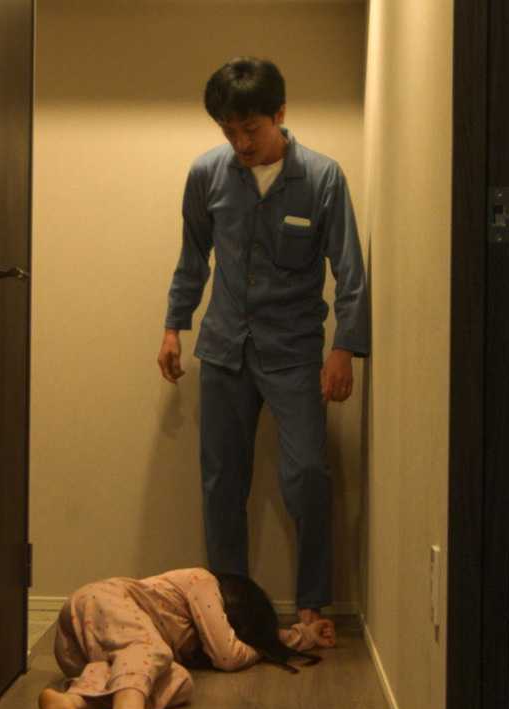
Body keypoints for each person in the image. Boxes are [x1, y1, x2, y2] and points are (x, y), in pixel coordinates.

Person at [156, 57, 370, 627]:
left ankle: (313, 607)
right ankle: (228, 612)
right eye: (229, 131)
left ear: (279, 114)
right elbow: (192, 258)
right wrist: (174, 326)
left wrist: (345, 349)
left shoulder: (323, 179)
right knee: (222, 483)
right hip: (224, 349)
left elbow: (350, 271)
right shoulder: (207, 175)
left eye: (250, 128)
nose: (241, 143)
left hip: (294, 353)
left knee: (307, 476)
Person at [38, 568, 336, 709]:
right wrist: (264, 649)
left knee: (179, 678)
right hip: (101, 600)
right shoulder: (202, 580)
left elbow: (240, 641)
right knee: (151, 649)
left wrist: (304, 636)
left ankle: (72, 703)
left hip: (86, 654)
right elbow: (228, 655)